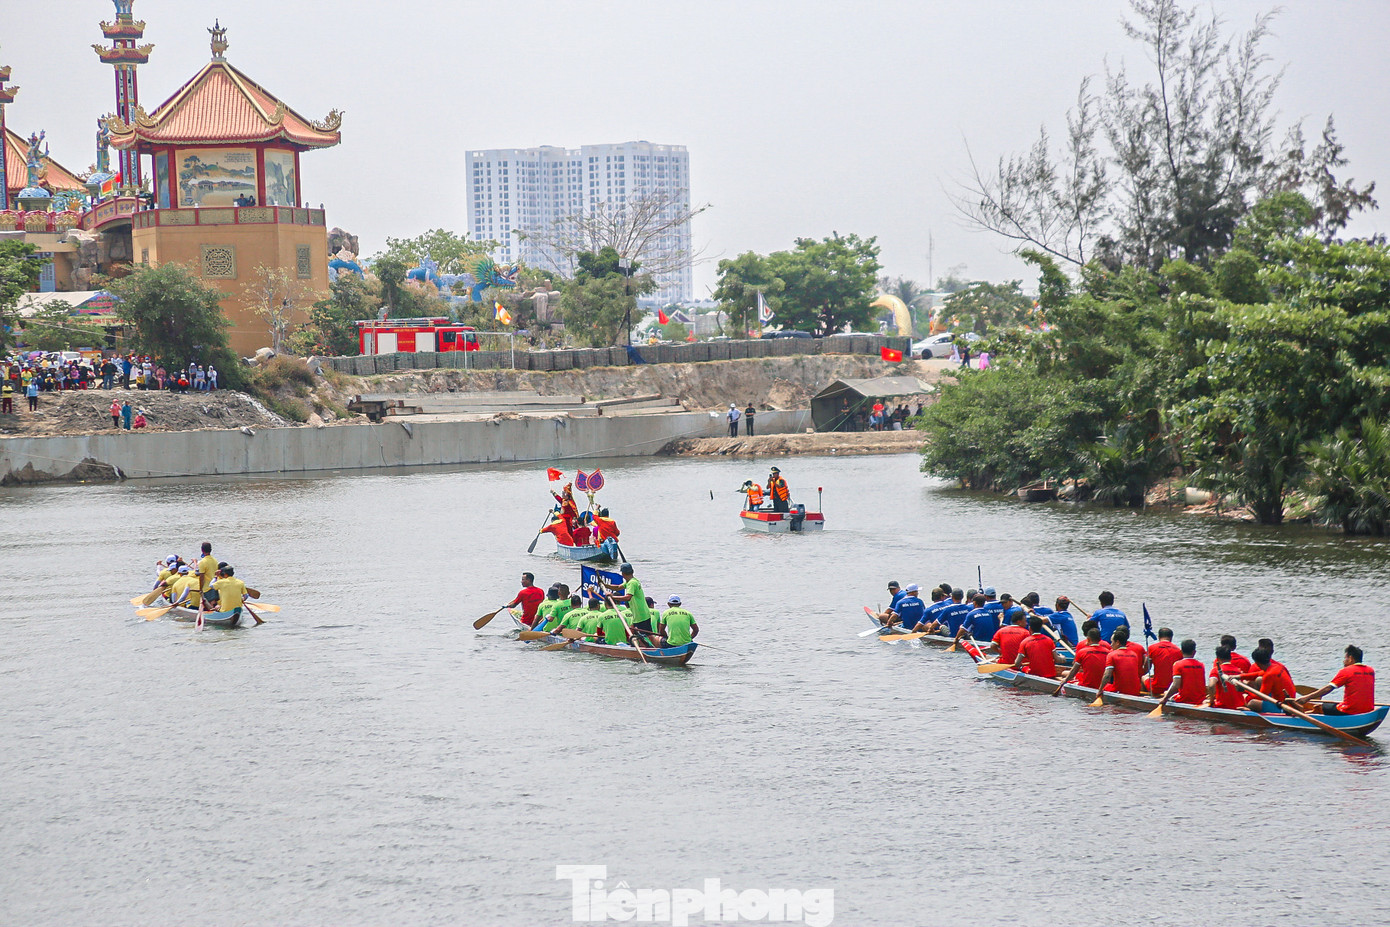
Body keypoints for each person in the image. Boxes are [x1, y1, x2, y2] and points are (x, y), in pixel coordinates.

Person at [1294, 645, 1376, 715]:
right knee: (1333, 705)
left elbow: (1328, 688)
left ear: (1350, 658)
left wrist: (1307, 698)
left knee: (1323, 706)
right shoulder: (1370, 671)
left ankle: (1308, 714)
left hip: (1350, 710)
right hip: (1368, 710)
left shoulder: (1347, 671)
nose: (1344, 661)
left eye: (1345, 658)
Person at [1238, 646, 1297, 711]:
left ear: (1257, 663)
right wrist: (1240, 676)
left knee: (1252, 703)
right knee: (1259, 680)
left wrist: (1245, 691)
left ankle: (1251, 710)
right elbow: (1258, 674)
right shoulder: (1277, 666)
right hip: (1288, 699)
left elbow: (1260, 697)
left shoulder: (1269, 675)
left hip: (1282, 706)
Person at [1154, 640, 1208, 709]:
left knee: (1166, 693)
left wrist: (1165, 699)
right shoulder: (1201, 665)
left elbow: (1176, 685)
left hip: (1183, 700)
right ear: (1194, 652)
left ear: (1181, 652)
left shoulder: (1178, 664)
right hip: (1200, 700)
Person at [1053, 628, 1110, 693]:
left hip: (1087, 685)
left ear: (1088, 639)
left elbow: (1074, 670)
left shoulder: (1082, 652)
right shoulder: (1108, 652)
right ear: (1100, 639)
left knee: (1064, 676)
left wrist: (1065, 680)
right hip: (1104, 686)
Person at [603, 563, 653, 637]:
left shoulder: (632, 583)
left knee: (650, 636)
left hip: (641, 615)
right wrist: (605, 585)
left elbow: (628, 597)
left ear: (623, 574)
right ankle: (636, 646)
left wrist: (613, 597)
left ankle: (655, 647)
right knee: (632, 632)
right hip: (637, 615)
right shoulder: (631, 581)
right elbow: (618, 587)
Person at [1145, 627, 1183, 696]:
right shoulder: (1178, 651)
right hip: (1173, 689)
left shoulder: (1152, 648)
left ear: (1159, 637)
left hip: (1157, 688)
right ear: (1171, 638)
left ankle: (1147, 696)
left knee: (1143, 677)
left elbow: (1146, 668)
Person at [1208, 646, 1247, 710]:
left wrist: (1211, 701)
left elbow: (1211, 686)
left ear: (1217, 659)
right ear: (1230, 658)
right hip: (1239, 706)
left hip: (1222, 706)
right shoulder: (1239, 671)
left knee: (1205, 701)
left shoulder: (1216, 670)